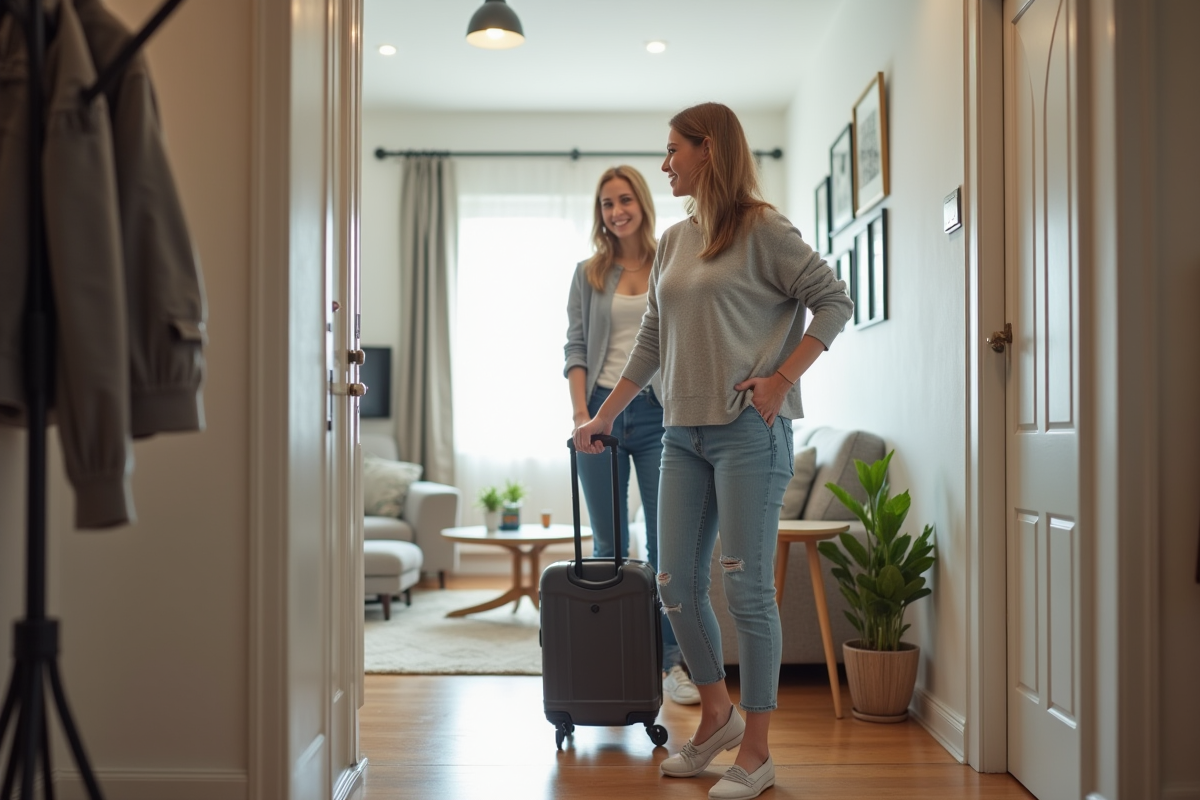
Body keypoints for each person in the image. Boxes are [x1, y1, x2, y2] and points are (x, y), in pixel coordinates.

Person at [573, 104, 853, 800]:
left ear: (709, 150)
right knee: (672, 583)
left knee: (746, 591)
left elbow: (834, 301)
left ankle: (756, 752)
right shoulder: (673, 240)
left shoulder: (764, 229)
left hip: (748, 433)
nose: (664, 163)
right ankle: (717, 714)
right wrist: (602, 416)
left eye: (674, 150)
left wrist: (782, 378)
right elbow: (652, 340)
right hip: (680, 433)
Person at [563, 165, 700, 706]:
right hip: (601, 414)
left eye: (624, 200)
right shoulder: (588, 273)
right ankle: (613, 655)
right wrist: (581, 414)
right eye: (606, 203)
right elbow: (576, 347)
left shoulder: (672, 259)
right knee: (608, 546)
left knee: (668, 549)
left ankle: (673, 663)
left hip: (660, 412)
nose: (616, 211)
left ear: (641, 203)